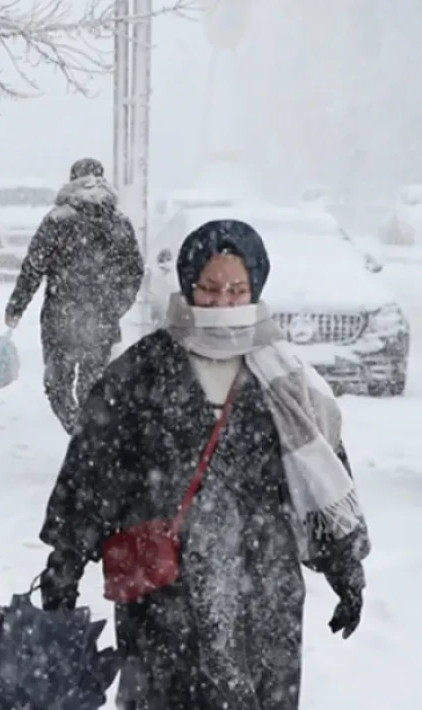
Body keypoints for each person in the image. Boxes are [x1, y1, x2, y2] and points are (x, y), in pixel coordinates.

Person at [37, 219, 370, 710]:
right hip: (165, 593)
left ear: (255, 289)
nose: (222, 302)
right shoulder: (142, 371)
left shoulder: (286, 377)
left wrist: (346, 569)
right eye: (209, 289)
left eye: (237, 290)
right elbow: (92, 473)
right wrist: (63, 565)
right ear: (189, 287)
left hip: (262, 588)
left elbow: (322, 477)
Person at [3, 157, 143, 433]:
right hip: (101, 319)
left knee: (57, 386)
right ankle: (89, 437)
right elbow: (134, 272)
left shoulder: (57, 220)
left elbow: (34, 267)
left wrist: (16, 307)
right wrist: (116, 306)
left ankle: (77, 431)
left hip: (60, 318)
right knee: (93, 385)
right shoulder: (119, 222)